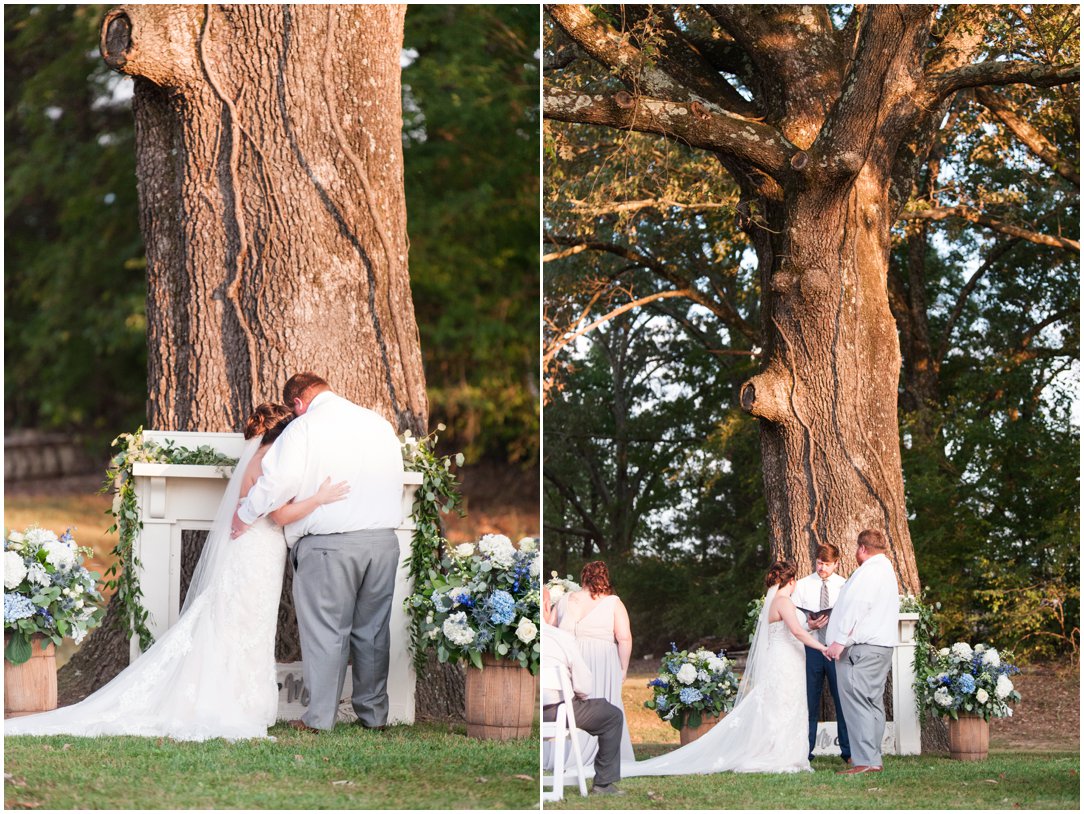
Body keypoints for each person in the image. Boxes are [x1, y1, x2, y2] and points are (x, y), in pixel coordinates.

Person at [5, 404, 349, 741]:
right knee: (245, 625)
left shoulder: (256, 457)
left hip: (251, 551)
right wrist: (320, 498)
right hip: (257, 552)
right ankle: (235, 703)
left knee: (233, 624)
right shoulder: (272, 460)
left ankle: (231, 697)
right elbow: (280, 515)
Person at [232, 372, 405, 732]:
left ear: (297, 402)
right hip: (383, 542)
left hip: (330, 545)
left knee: (327, 632)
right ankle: (374, 716)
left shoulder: (304, 428)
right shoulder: (378, 424)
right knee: (373, 632)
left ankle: (318, 719)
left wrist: (244, 515)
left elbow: (277, 484)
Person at [622, 559, 832, 776]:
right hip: (786, 661)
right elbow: (796, 633)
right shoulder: (784, 602)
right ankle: (781, 754)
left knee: (780, 706)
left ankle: (781, 751)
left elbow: (790, 628)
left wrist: (810, 625)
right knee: (785, 705)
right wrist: (822, 647)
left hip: (784, 659)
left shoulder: (775, 603)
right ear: (792, 581)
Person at [825, 529, 900, 775]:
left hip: (861, 649)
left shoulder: (869, 571)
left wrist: (839, 641)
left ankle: (865, 762)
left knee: (857, 703)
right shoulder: (886, 570)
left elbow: (856, 606)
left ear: (862, 549)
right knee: (872, 703)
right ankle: (873, 758)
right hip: (881, 648)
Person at [555, 561, 634, 762]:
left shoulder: (565, 599)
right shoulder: (613, 602)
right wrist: (623, 668)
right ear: (605, 578)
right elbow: (624, 637)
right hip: (603, 660)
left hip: (572, 657)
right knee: (604, 703)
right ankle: (605, 754)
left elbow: (551, 632)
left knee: (577, 704)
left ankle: (571, 754)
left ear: (583, 577)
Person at [542, 613, 625, 796]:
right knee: (613, 716)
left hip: (528, 713)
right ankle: (603, 784)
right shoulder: (559, 637)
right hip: (558, 712)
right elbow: (584, 685)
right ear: (546, 607)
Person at [791, 543, 851, 764]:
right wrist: (810, 625)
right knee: (809, 701)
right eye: (819, 563)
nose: (822, 567)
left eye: (826, 564)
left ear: (836, 563)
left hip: (836, 650)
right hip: (811, 649)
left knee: (842, 700)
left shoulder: (845, 585)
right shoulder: (803, 585)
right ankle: (805, 752)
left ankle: (848, 752)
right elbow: (794, 619)